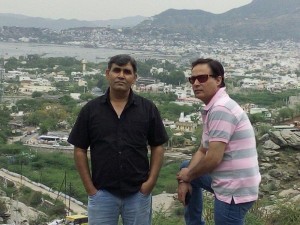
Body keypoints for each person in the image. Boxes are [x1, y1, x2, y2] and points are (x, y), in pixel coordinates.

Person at [68, 54, 168, 225]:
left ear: (134, 78)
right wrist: (90, 189)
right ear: (108, 74)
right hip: (102, 193)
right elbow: (80, 149)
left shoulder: (147, 109)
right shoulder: (91, 110)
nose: (121, 75)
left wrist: (150, 183)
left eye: (127, 72)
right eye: (117, 70)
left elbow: (158, 146)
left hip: (138, 193)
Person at [177, 58, 261, 225]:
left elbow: (213, 158)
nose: (195, 84)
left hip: (234, 190)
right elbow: (202, 150)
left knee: (188, 171)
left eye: (202, 78)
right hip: (234, 180)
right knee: (186, 166)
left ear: (218, 79)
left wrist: (188, 175)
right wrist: (186, 178)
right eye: (192, 79)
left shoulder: (221, 109)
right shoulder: (214, 107)